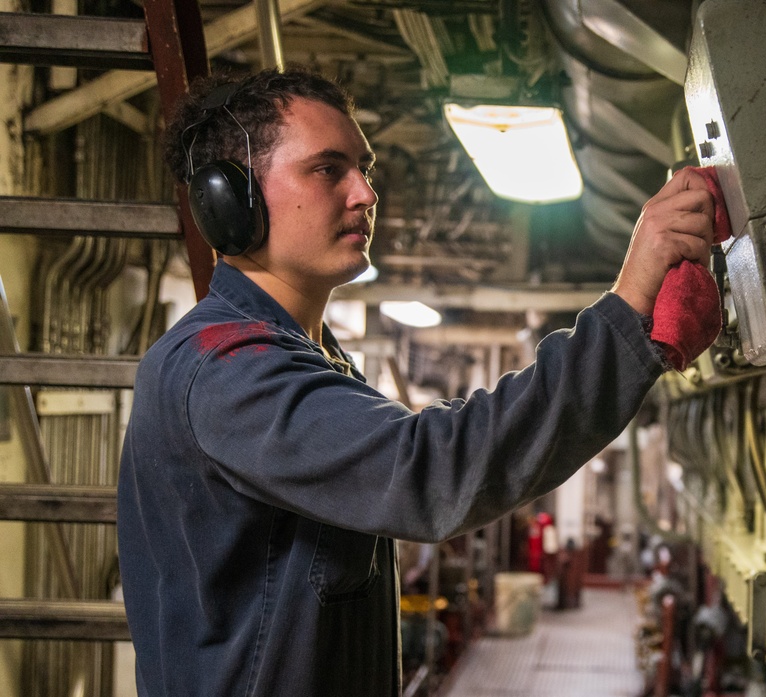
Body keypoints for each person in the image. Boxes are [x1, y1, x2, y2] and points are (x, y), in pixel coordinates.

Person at [117, 67, 717, 697]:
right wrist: (629, 305)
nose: (366, 193)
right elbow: (431, 472)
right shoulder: (225, 369)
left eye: (364, 168)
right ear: (231, 200)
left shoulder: (306, 355)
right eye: (329, 170)